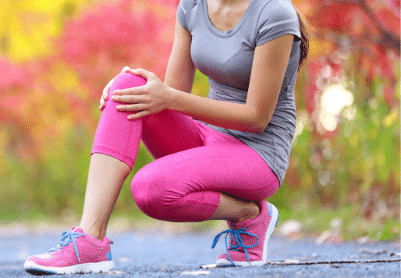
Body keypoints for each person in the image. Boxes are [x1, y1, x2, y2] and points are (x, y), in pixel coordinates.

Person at [24, 0, 309, 274]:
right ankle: (89, 240)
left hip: (258, 153)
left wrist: (167, 97)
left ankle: (249, 213)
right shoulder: (193, 5)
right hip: (209, 136)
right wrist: (142, 90)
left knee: (151, 190)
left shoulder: (275, 13)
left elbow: (256, 118)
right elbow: (173, 93)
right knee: (128, 87)